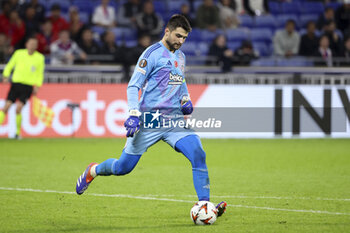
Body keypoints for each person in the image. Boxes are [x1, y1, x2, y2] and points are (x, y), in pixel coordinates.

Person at [75, 14, 227, 218]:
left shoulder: (181, 57)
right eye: (178, 36)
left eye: (185, 38)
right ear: (167, 31)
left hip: (173, 120)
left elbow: (180, 81)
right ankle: (93, 170)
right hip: (150, 120)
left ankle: (205, 206)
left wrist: (185, 99)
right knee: (123, 167)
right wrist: (134, 114)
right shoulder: (152, 54)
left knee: (198, 153)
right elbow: (133, 85)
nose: (181, 41)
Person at [0, 37, 45, 139]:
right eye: (31, 43)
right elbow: (10, 65)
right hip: (16, 84)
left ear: (37, 46)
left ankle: (17, 133)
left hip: (28, 86)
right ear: (27, 44)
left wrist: (37, 86)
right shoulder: (19, 53)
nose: (32, 45)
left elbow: (40, 73)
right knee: (6, 107)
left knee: (18, 108)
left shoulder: (40, 58)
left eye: (35, 44)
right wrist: (6, 75)